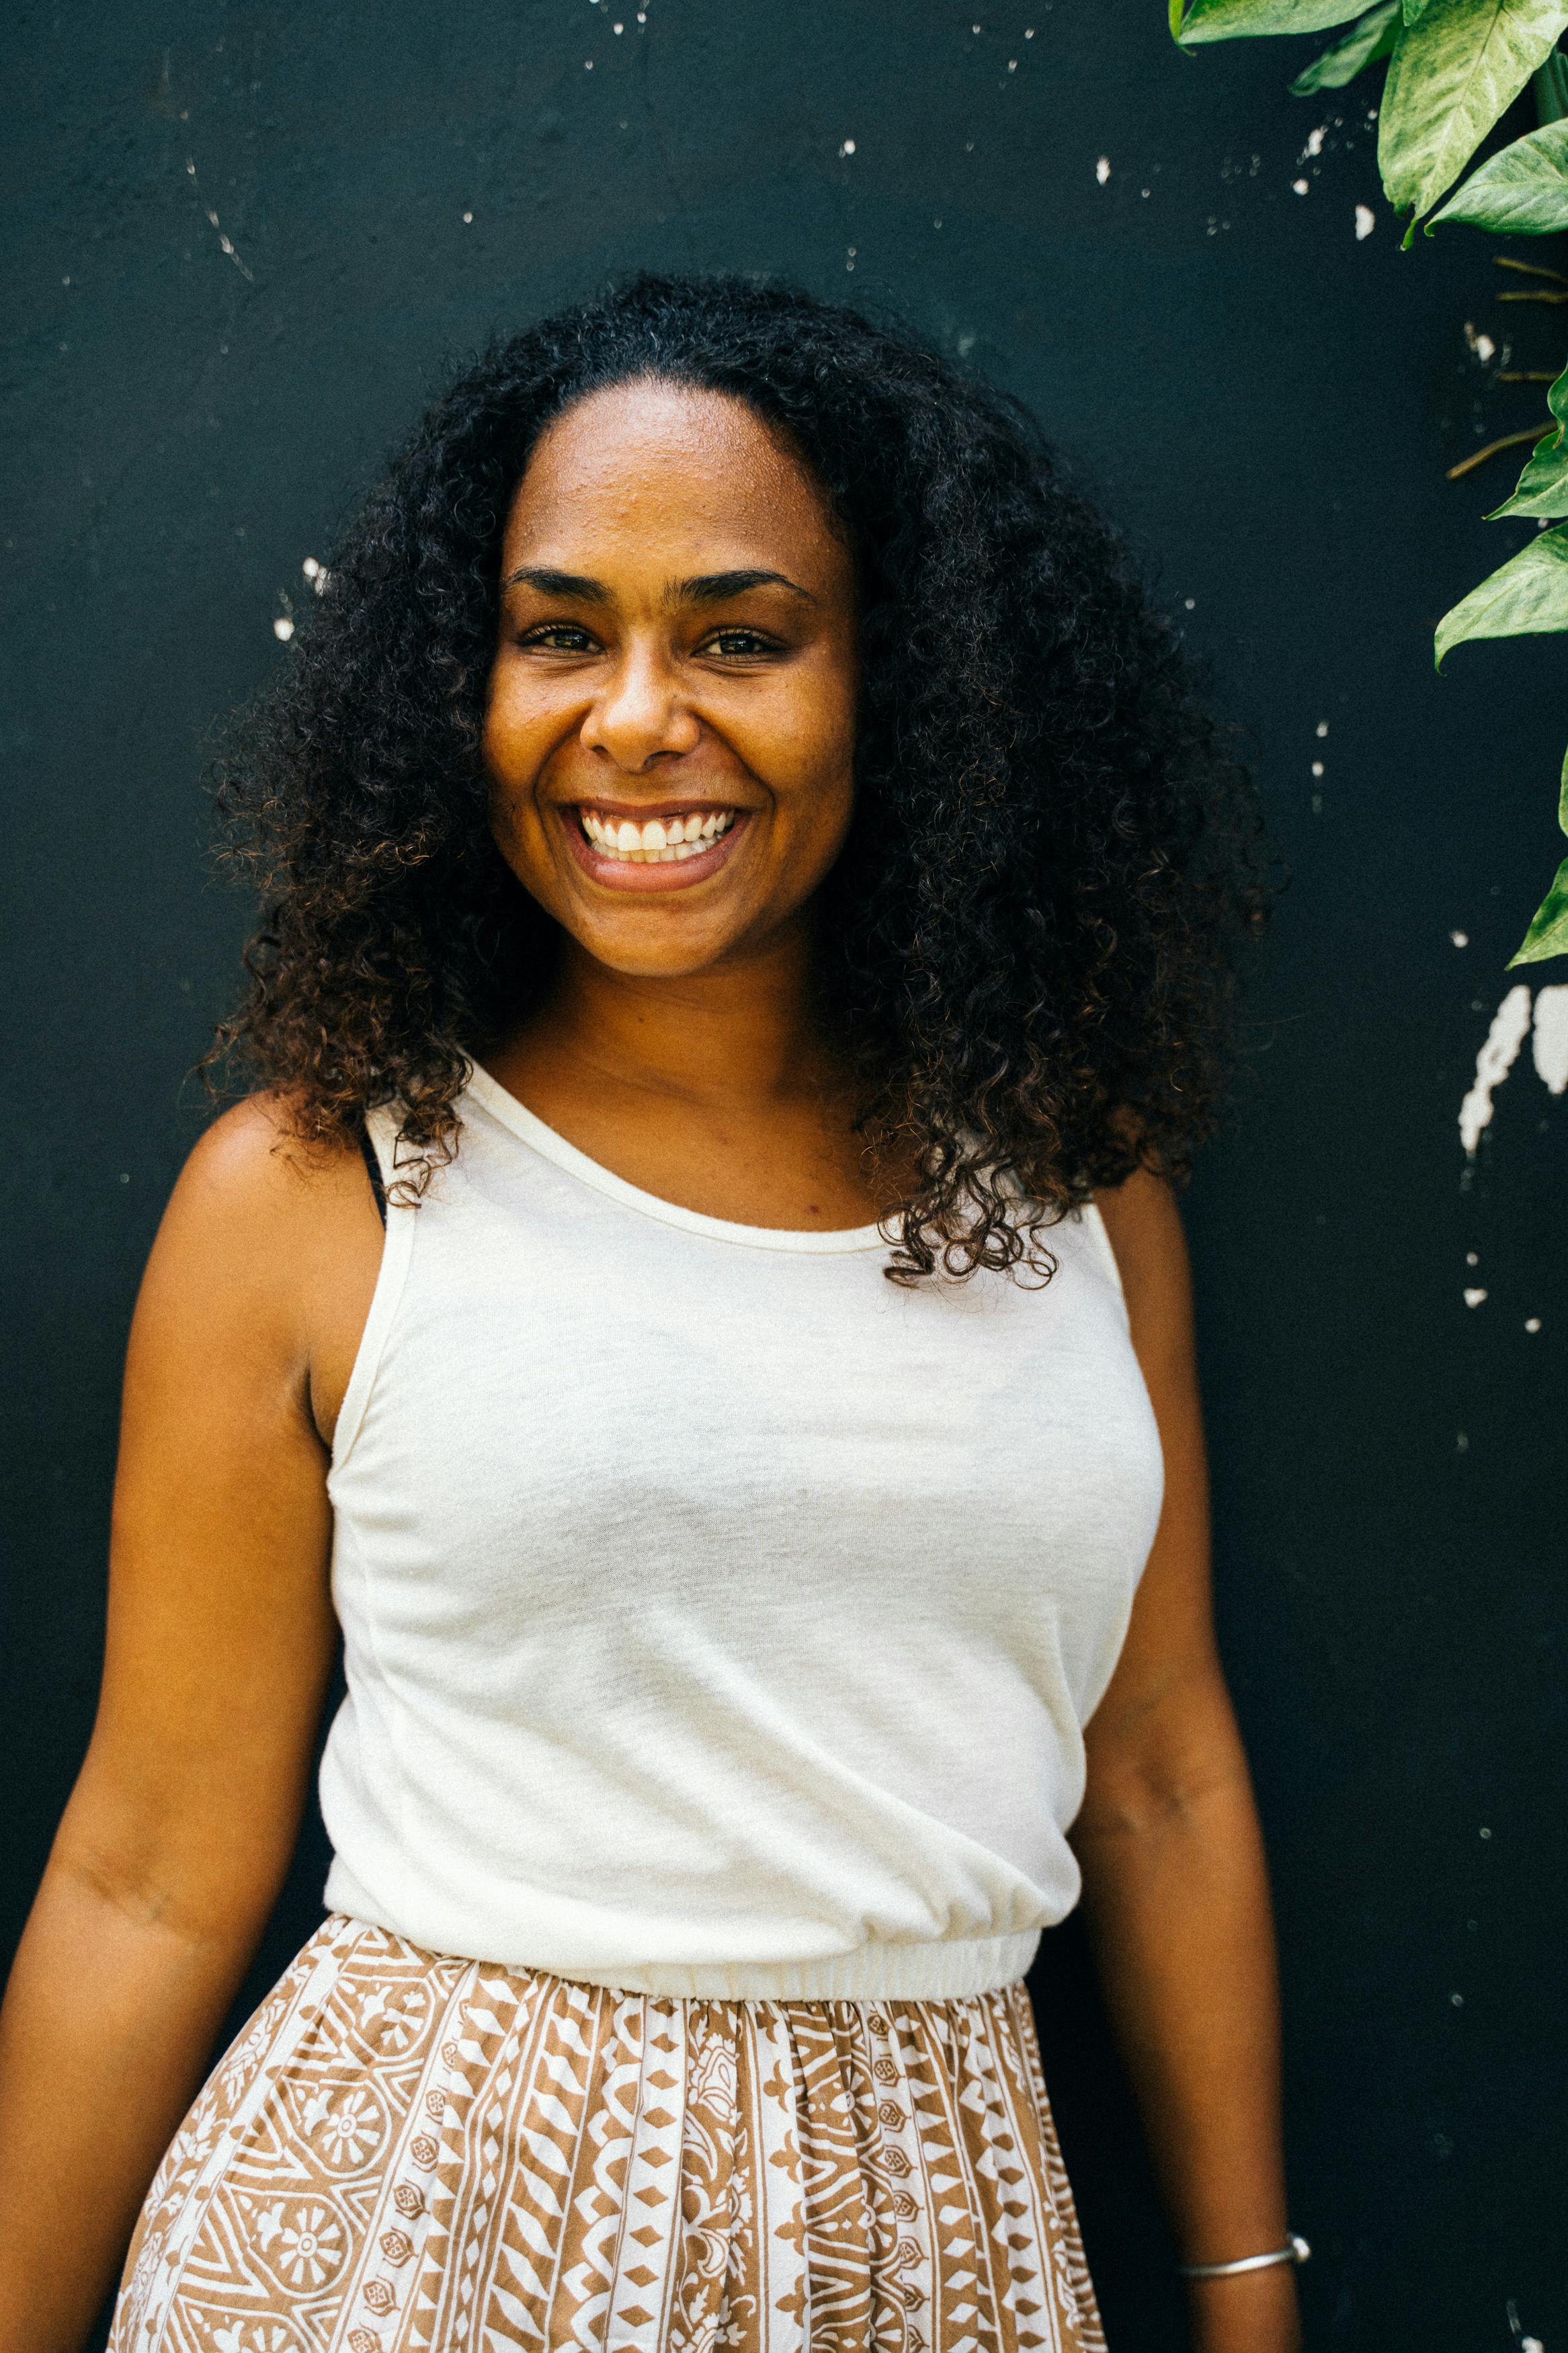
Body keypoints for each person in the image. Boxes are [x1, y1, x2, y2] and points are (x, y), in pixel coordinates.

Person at [0, 272, 1298, 2353]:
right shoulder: (324, 1186)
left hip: (946, 2258)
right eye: (556, 633)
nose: (631, 720)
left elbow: (1154, 1769)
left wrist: (1247, 2288)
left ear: (907, 685)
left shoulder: (1073, 1184)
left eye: (739, 635)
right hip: (405, 2250)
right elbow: (146, 1874)